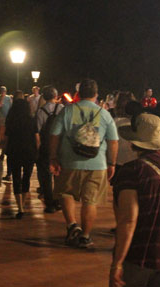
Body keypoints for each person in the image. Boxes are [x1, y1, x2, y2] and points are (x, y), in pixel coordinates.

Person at [110, 112, 160, 287]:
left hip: (141, 255)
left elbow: (128, 220)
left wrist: (117, 262)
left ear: (133, 143)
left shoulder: (132, 171)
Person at [50, 78, 119, 248]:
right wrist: (112, 163)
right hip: (97, 164)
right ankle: (85, 236)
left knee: (65, 193)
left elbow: (54, 135)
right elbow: (113, 141)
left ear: (79, 94)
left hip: (68, 162)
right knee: (90, 201)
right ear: (96, 94)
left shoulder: (66, 111)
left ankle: (72, 225)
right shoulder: (104, 114)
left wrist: (53, 157)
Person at [1, 99, 39, 219]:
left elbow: (6, 139)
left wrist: (3, 153)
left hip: (14, 152)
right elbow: (37, 139)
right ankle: (23, 203)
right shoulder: (32, 120)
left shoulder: (11, 121)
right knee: (26, 178)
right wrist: (38, 152)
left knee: (16, 179)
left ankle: (19, 208)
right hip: (29, 152)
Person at [35, 86, 63, 213]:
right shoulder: (62, 109)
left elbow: (38, 130)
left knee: (46, 175)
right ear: (56, 96)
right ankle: (59, 201)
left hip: (46, 146)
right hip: (60, 146)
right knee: (59, 175)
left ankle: (49, 203)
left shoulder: (41, 111)